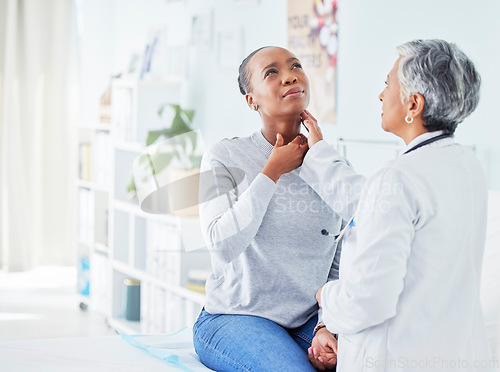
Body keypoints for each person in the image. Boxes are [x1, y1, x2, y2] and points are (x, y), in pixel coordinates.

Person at [300, 39, 493, 371]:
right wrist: (318, 152)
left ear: (413, 104)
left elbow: (367, 302)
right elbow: (372, 203)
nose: (381, 94)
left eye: (388, 84)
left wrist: (325, 297)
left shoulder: (397, 177)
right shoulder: (467, 165)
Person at [193, 46, 353, 371]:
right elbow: (222, 245)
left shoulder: (332, 168)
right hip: (235, 317)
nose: (290, 75)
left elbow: (338, 265)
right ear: (252, 100)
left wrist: (326, 326)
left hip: (306, 320)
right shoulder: (224, 156)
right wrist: (271, 172)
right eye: (272, 72)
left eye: (296, 66)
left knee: (371, 359)